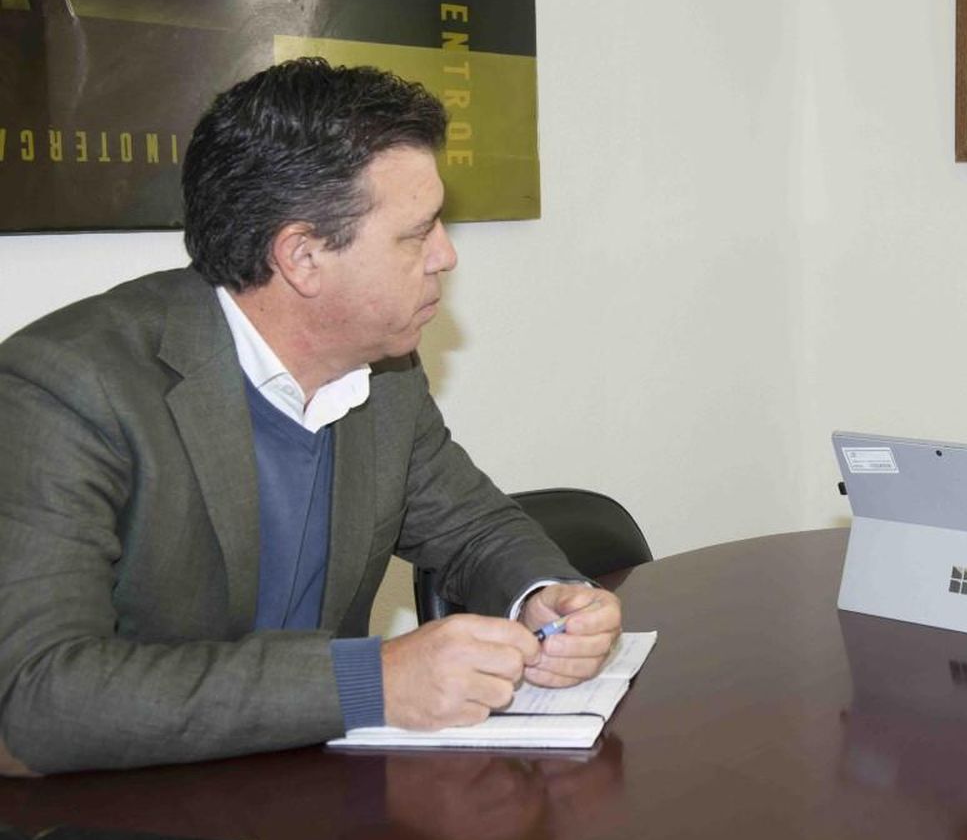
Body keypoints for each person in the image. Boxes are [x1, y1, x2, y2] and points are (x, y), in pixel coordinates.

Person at [0, 58, 622, 775]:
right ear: (301, 257)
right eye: (418, 233)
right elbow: (36, 698)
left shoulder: (383, 373)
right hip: (134, 813)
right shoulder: (67, 389)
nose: (446, 256)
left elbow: (476, 530)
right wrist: (370, 682)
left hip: (317, 793)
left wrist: (544, 596)